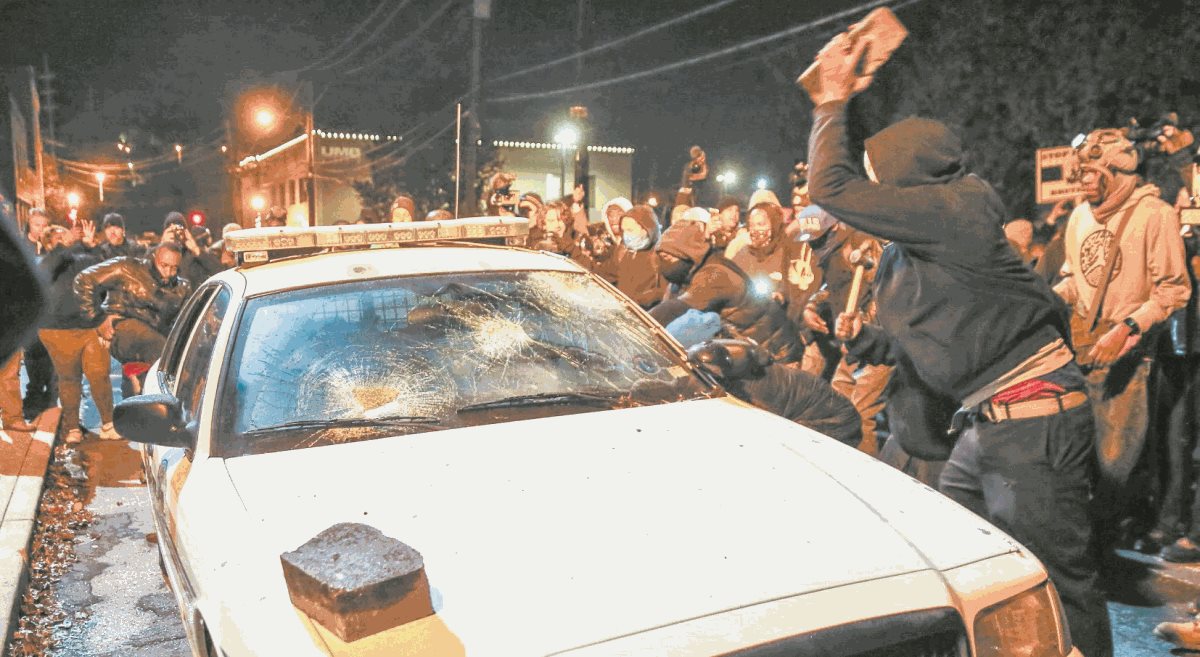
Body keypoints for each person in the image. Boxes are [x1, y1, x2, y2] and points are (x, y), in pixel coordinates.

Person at [803, 29, 1111, 656]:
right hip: (985, 427)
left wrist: (832, 100)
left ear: (909, 175)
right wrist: (865, 341)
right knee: (973, 570)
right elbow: (924, 347)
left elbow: (829, 187)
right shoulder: (913, 249)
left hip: (1033, 419)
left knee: (1059, 577)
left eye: (879, 175)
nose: (873, 190)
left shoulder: (956, 211)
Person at [1053, 128, 1190, 547]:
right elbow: (1074, 280)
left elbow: (1173, 289)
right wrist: (1043, 300)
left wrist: (1129, 328)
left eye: (1092, 172)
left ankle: (1109, 542)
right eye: (1081, 172)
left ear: (1117, 171)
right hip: (1083, 348)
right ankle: (1097, 538)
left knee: (1118, 458)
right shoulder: (1078, 218)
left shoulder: (1155, 215)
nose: (1083, 180)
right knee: (1082, 455)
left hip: (1130, 352)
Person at [649, 219, 804, 365]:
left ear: (687, 254)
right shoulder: (690, 273)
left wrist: (640, 326)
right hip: (752, 350)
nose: (664, 264)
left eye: (667, 257)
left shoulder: (715, 274)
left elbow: (676, 308)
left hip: (777, 352)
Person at [37, 225, 116, 443]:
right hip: (58, 330)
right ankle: (72, 428)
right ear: (50, 244)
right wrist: (64, 246)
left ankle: (108, 424)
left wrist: (93, 247)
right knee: (69, 379)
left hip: (90, 326)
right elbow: (46, 271)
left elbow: (103, 273)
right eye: (60, 237)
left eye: (67, 235)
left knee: (99, 373)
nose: (69, 238)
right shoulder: (46, 261)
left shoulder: (80, 257)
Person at [74, 242, 192, 366]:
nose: (168, 272)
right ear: (154, 258)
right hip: (121, 325)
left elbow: (184, 323)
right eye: (164, 265)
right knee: (159, 350)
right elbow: (83, 280)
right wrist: (98, 319)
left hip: (154, 335)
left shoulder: (182, 288)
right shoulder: (126, 268)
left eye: (174, 268)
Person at [614, 204, 664, 309]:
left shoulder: (662, 256)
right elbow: (600, 274)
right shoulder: (624, 253)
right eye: (624, 230)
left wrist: (638, 301)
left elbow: (664, 293)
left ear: (646, 229)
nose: (626, 235)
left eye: (630, 230)